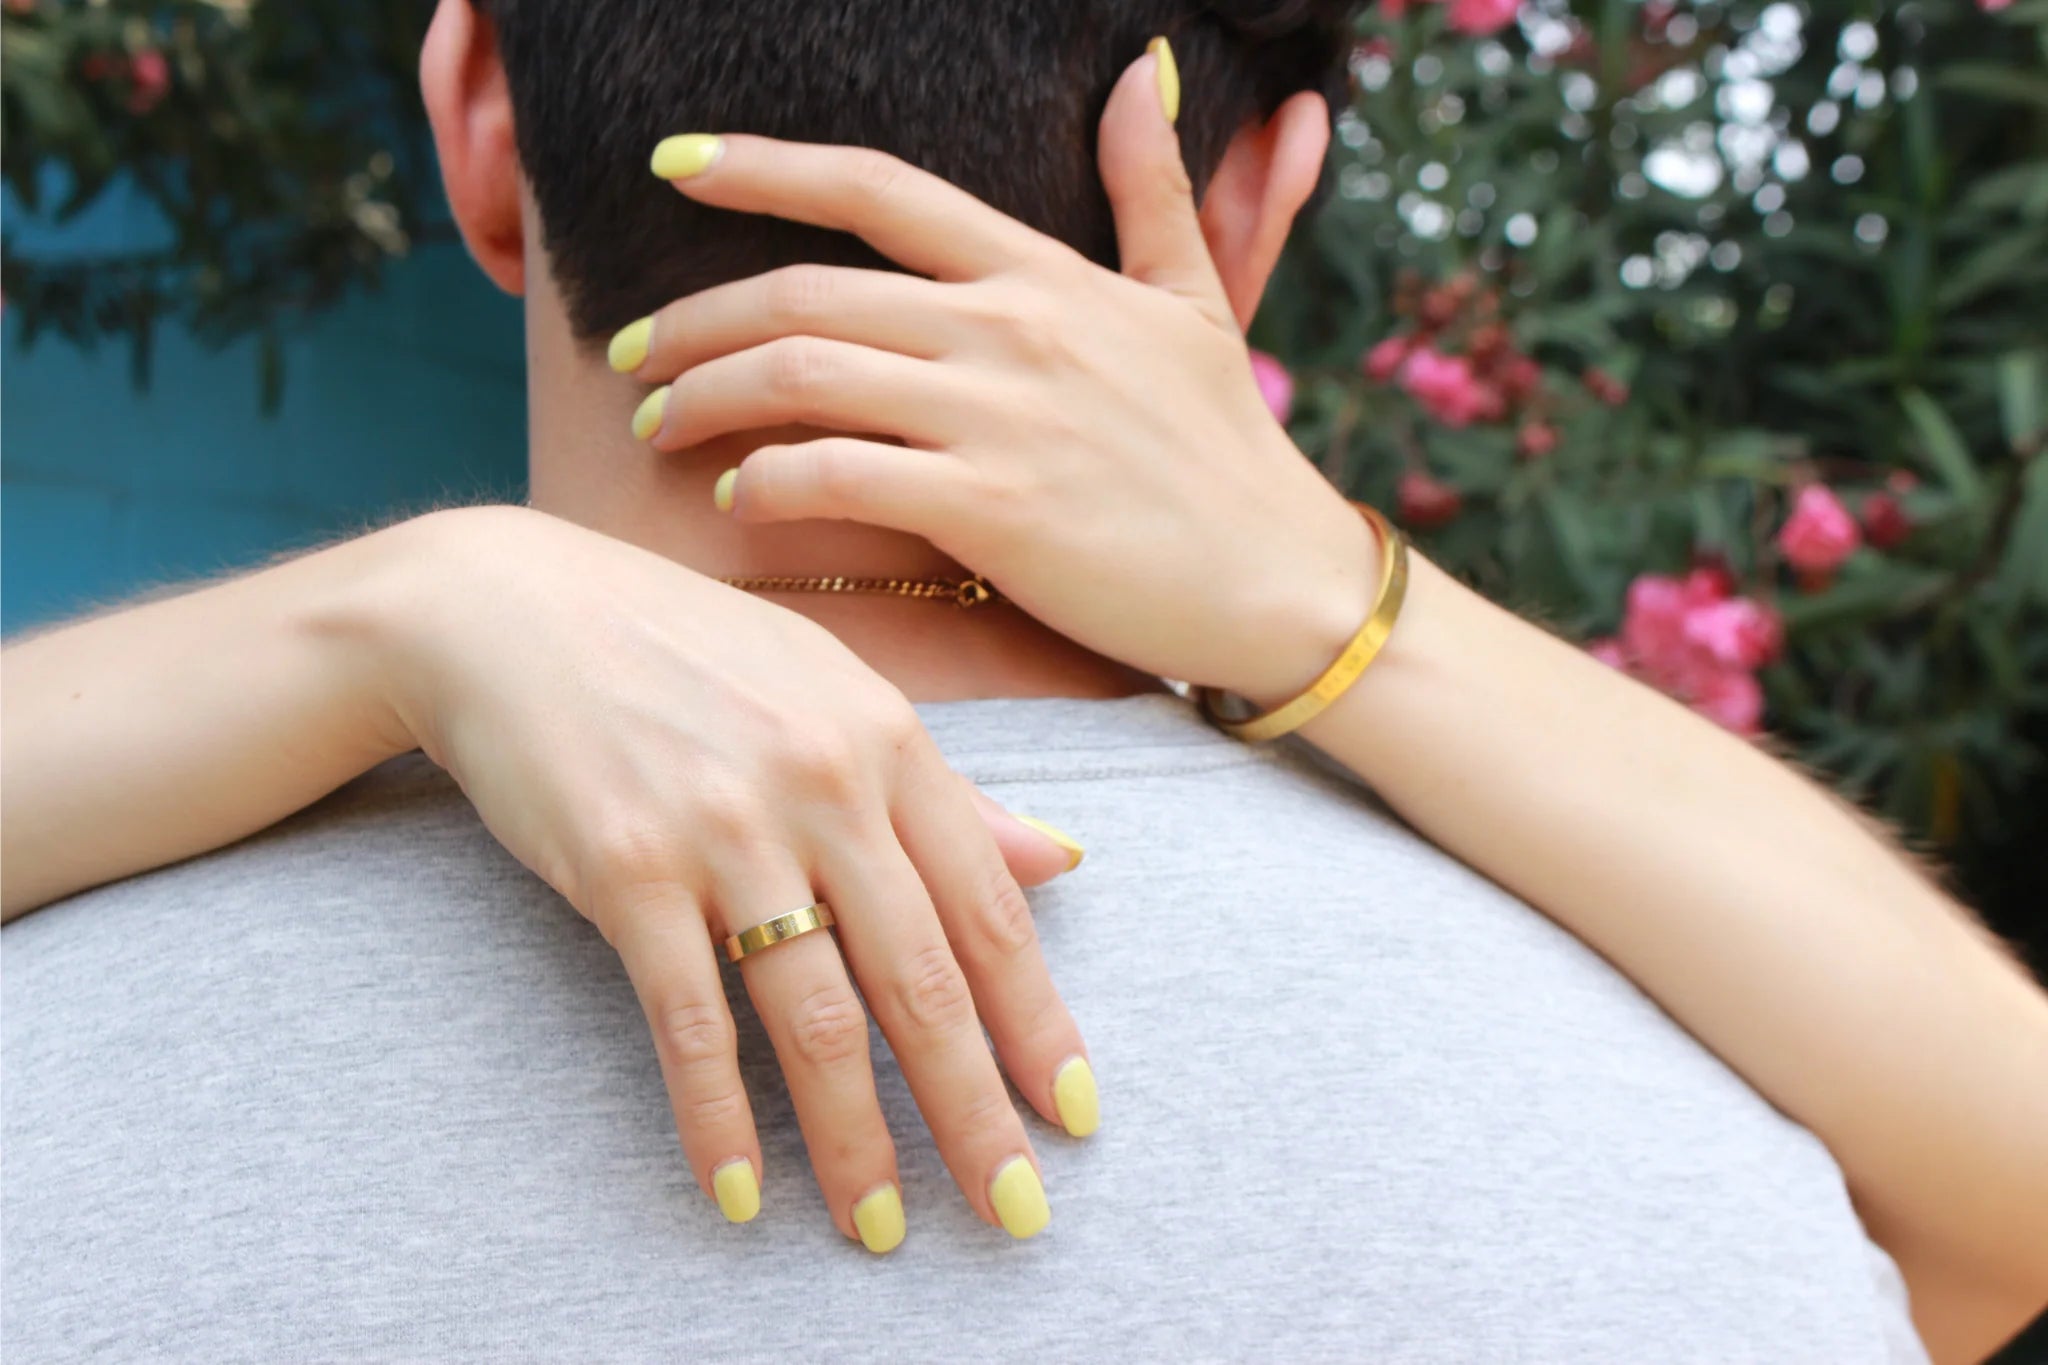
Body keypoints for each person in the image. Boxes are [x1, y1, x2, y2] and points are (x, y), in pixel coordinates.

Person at [5, 1, 2044, 1359]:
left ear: (471, 114)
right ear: (1254, 206)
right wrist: (1346, 605)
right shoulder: (1725, 1179)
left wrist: (379, 609)